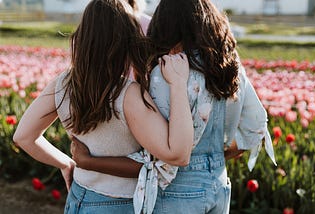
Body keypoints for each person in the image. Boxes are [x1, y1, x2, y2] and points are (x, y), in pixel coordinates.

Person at [71, 0, 277, 213]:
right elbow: (256, 127)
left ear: (166, 25)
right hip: (219, 183)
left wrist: (90, 161)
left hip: (176, 191)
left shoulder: (165, 73)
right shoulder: (230, 69)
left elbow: (154, 158)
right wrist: (210, 160)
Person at [12, 0, 195, 213]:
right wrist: (179, 85)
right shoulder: (129, 93)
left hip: (78, 195)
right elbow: (178, 155)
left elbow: (23, 137)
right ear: (126, 40)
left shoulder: (63, 83)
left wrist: (66, 164)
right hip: (119, 202)